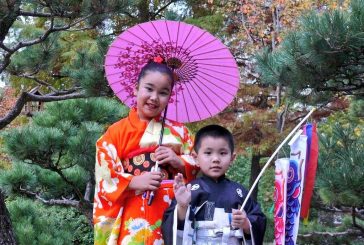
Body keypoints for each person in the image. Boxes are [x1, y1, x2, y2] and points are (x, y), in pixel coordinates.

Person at [93, 59, 199, 245]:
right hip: (131, 212)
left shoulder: (180, 132)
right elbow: (104, 174)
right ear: (136, 88)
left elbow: (201, 163)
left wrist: (180, 162)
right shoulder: (117, 132)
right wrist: (133, 181)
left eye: (163, 92)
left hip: (170, 211)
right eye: (149, 89)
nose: (154, 97)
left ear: (169, 96)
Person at [162, 124, 266, 245]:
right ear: (195, 157)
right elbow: (172, 226)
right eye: (208, 153)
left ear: (232, 158)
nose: (215, 159)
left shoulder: (239, 192)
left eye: (222, 153)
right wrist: (182, 206)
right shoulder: (190, 190)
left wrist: (246, 224)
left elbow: (258, 219)